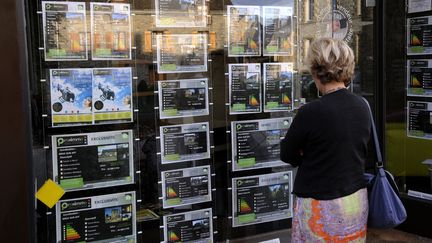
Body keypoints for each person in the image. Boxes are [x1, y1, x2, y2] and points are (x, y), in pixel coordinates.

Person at [280, 38, 371, 242]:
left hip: (319, 205)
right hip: (355, 200)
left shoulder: (311, 111)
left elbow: (287, 154)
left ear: (315, 70)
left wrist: (307, 152)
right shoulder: (363, 106)